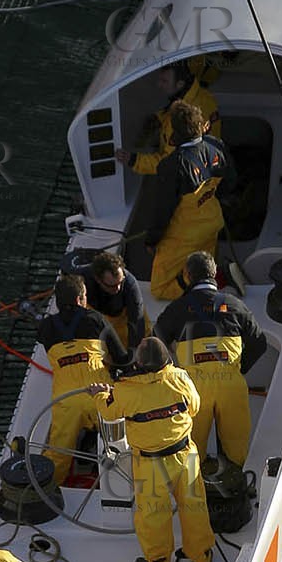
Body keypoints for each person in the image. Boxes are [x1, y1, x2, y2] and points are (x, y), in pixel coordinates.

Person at [89, 338, 215, 562]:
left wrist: (100, 394)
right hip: (185, 455)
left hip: (150, 463)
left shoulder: (125, 391)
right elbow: (195, 407)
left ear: (138, 363)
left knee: (153, 513)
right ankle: (201, 556)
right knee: (194, 506)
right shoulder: (180, 378)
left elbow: (109, 412)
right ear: (167, 360)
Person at [154, 251, 267, 468]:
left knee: (192, 450)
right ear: (214, 273)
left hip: (193, 390)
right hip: (231, 385)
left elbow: (155, 344)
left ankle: (198, 482)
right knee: (237, 449)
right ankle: (236, 478)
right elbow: (259, 343)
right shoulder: (234, 304)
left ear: (188, 275)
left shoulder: (176, 309)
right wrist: (238, 370)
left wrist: (174, 376)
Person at [31, 273, 125, 486]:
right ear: (79, 299)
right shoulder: (96, 319)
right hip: (100, 395)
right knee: (119, 446)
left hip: (65, 402)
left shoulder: (45, 327)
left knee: (58, 454)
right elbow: (121, 358)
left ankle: (47, 489)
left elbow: (43, 334)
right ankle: (122, 487)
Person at [139, 101, 237, 301]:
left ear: (175, 130)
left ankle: (219, 276)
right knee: (204, 266)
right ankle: (215, 279)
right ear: (200, 124)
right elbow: (231, 182)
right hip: (212, 222)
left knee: (160, 289)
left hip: (184, 235)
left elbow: (163, 211)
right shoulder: (216, 145)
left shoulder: (172, 165)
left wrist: (152, 240)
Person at [116, 59, 221, 177]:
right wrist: (159, 118)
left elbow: (169, 162)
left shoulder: (179, 123)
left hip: (193, 178)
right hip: (211, 163)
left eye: (164, 81)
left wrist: (134, 160)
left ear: (180, 84)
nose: (159, 84)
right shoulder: (204, 96)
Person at [84, 251, 148, 360]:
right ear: (98, 280)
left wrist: (134, 356)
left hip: (123, 317)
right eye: (112, 286)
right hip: (99, 316)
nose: (118, 288)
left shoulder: (130, 284)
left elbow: (136, 322)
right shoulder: (85, 282)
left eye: (120, 282)